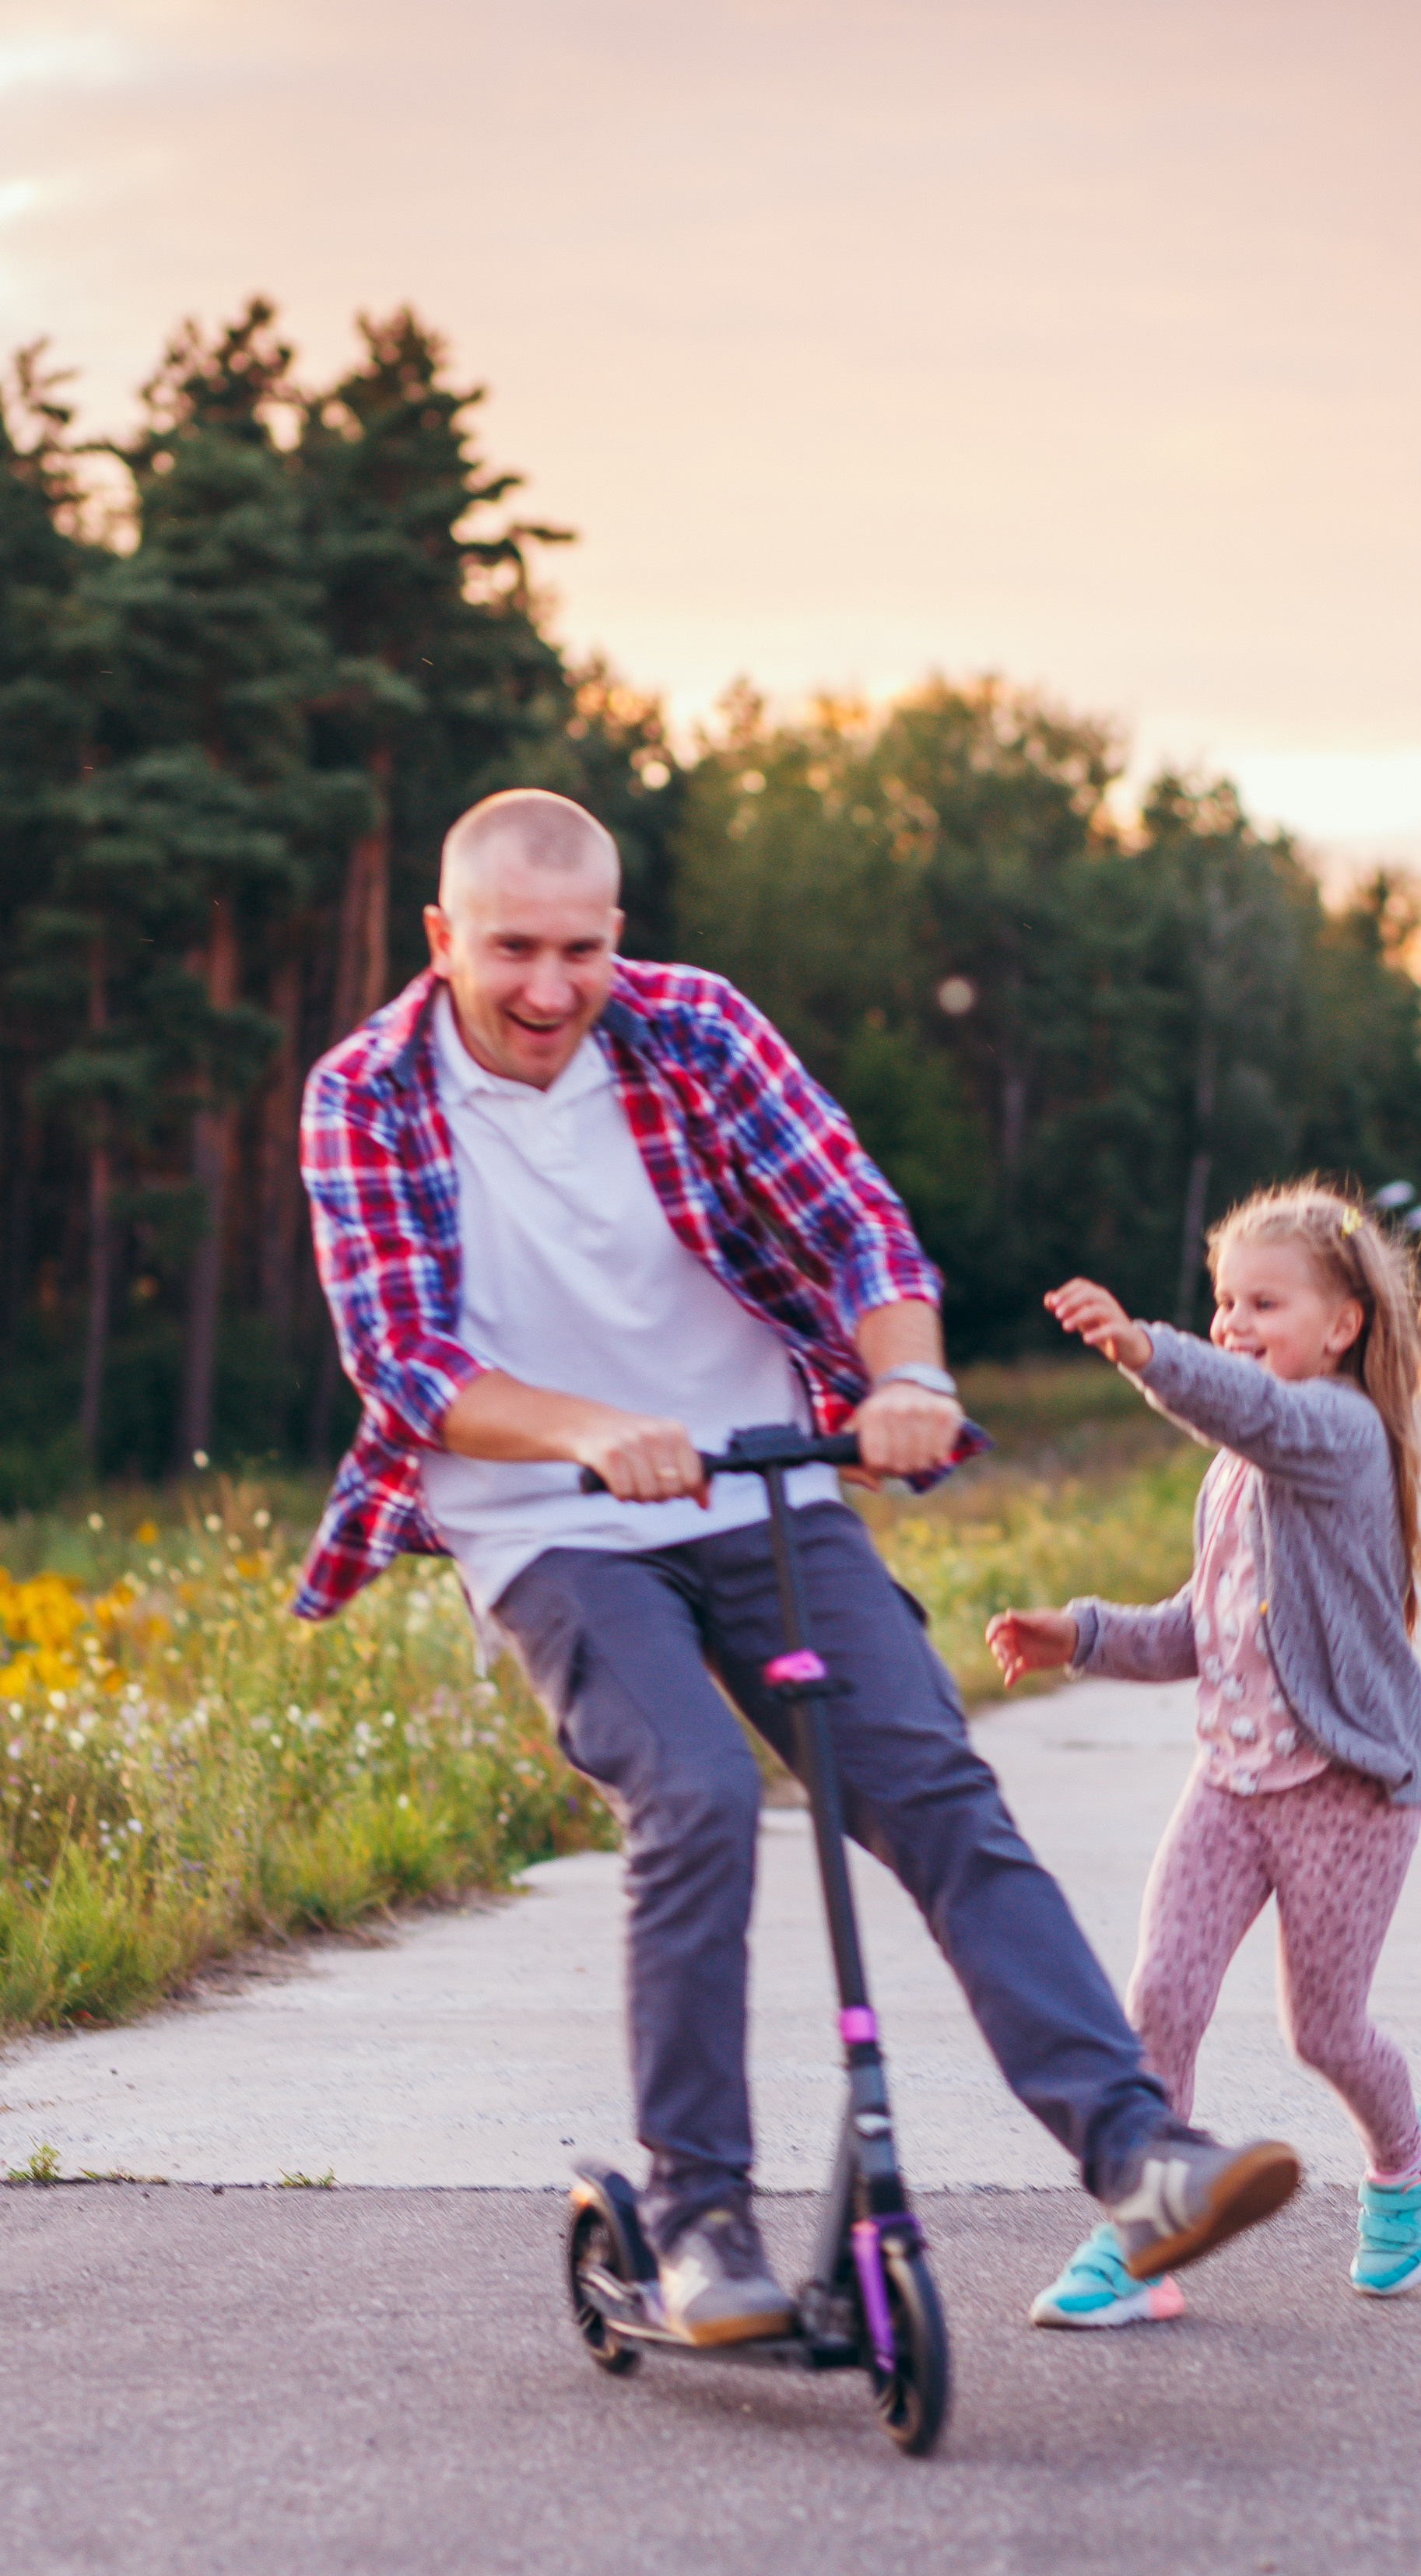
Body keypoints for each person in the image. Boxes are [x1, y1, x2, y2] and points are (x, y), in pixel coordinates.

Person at [296, 787, 1302, 2346]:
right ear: (442, 939)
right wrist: (595, 1433)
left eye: (580, 948)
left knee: (931, 1784)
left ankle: (1139, 2156)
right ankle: (699, 2222)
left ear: (617, 935)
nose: (551, 988)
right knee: (692, 1791)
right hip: (548, 1521)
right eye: (512, 951)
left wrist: (911, 1382)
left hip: (760, 1487)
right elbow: (408, 1364)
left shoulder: (694, 1028)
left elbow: (858, 1226)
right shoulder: (364, 1093)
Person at [986, 1180, 1421, 2330]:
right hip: (1231, 1784)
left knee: (1325, 2031)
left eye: (1264, 1302)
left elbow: (1251, 1408)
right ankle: (1142, 2233)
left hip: (1345, 1790)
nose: (1235, 1324)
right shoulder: (1233, 1471)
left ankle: (1410, 2157)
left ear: (1342, 1325)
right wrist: (1083, 1634)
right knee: (1160, 1994)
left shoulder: (1339, 1433)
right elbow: (1199, 1631)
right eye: (1221, 1303)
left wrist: (1145, 1347)